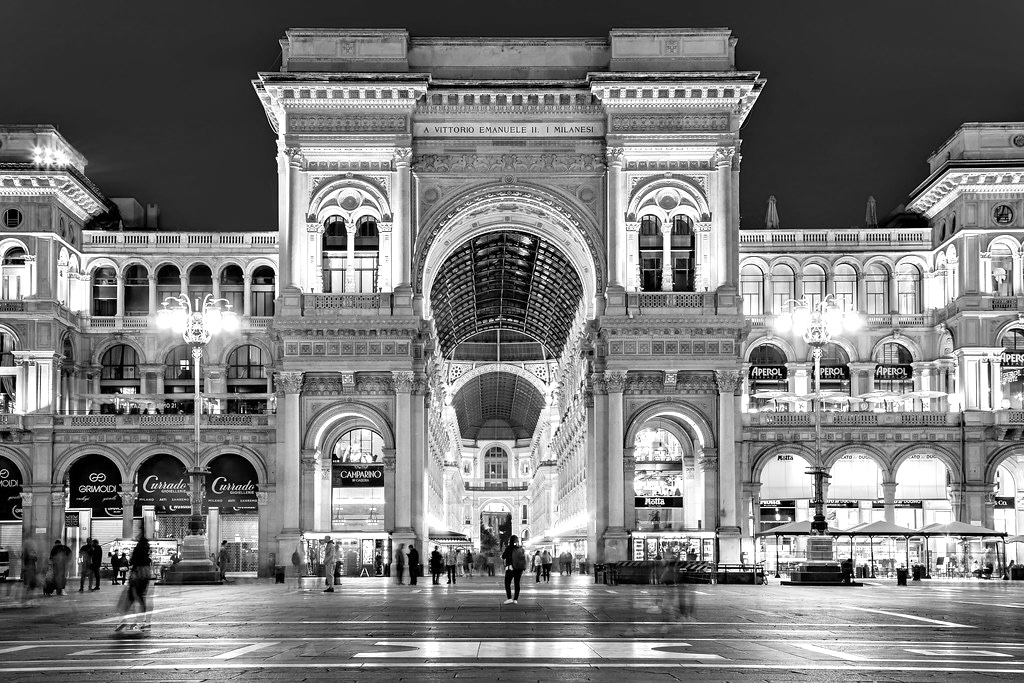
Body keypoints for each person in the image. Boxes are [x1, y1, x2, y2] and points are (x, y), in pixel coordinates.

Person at [119, 533, 152, 632]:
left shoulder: (138, 549)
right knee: (140, 597)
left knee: (131, 596)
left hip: (137, 573)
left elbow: (132, 561)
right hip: (145, 574)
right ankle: (143, 621)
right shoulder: (146, 555)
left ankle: (127, 620)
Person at [501, 535, 527, 604]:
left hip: (510, 569)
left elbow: (503, 556)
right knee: (517, 583)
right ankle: (515, 599)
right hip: (519, 569)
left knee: (507, 583)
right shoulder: (520, 548)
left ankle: (509, 598)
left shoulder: (509, 548)